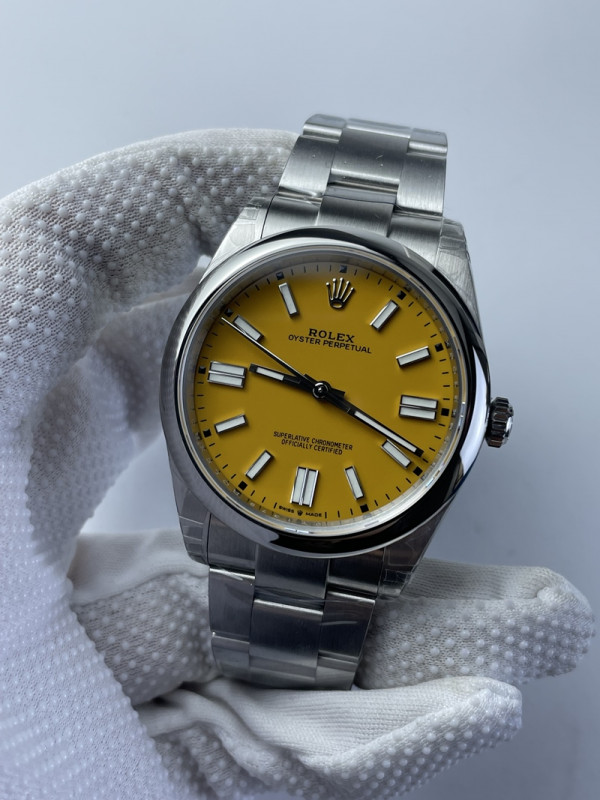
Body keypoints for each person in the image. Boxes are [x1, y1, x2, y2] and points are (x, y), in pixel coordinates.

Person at [0, 127, 593, 799]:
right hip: (253, 498)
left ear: (487, 418)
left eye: (328, 396)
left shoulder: (439, 270)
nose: (323, 394)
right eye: (316, 391)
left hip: (306, 499)